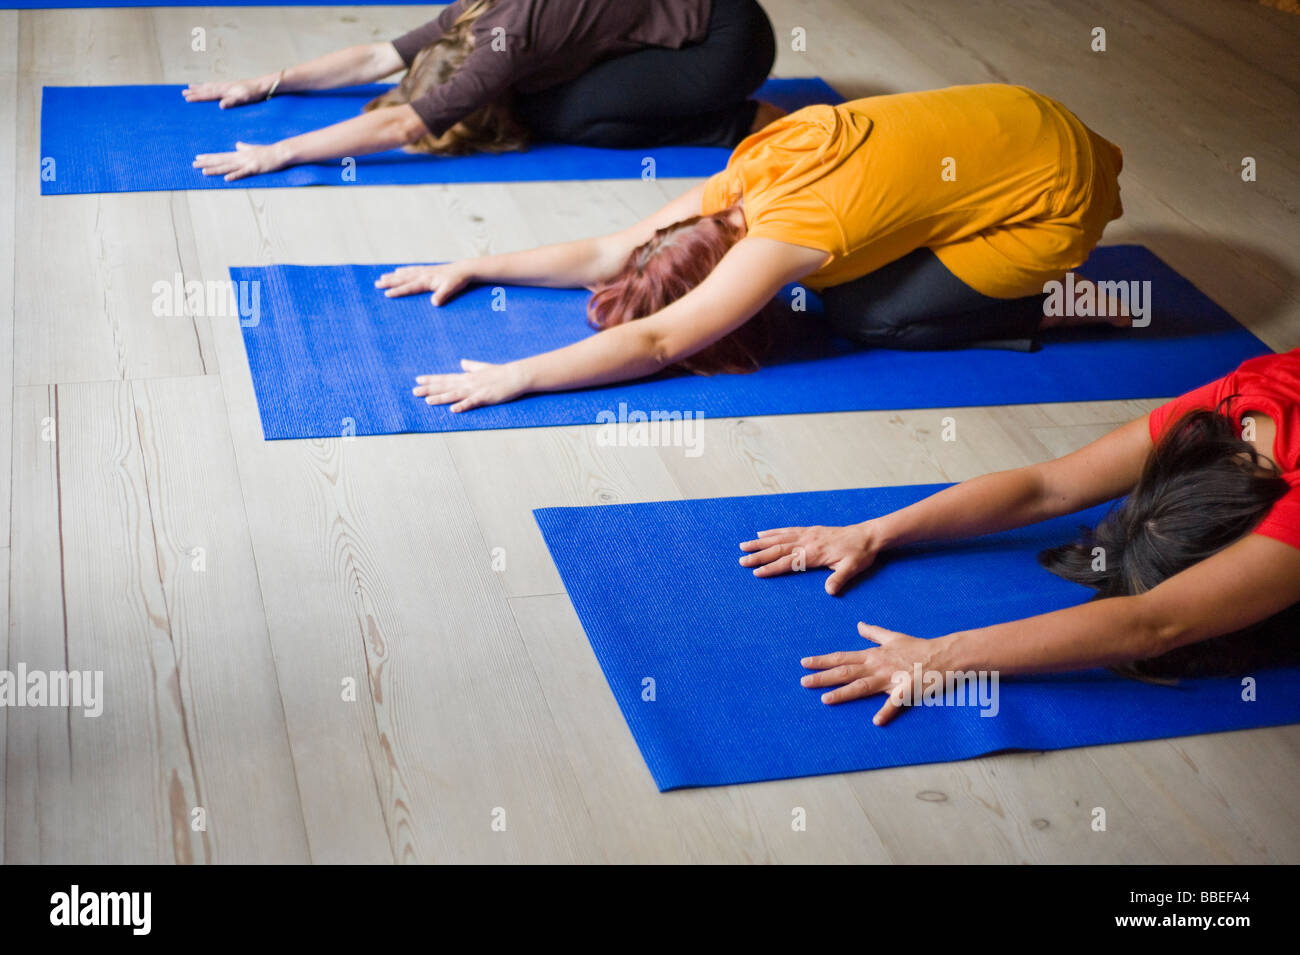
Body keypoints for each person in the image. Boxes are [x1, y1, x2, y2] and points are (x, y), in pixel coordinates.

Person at [374, 83, 1128, 413]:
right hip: (1016, 113)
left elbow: (663, 337)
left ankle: (1061, 304)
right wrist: (477, 262)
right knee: (853, 273)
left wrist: (521, 376)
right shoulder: (738, 183)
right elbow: (610, 252)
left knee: (871, 319)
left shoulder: (788, 238)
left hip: (1059, 192)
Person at [738, 349, 1300, 725]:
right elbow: (1047, 486)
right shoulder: (1242, 400)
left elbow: (1154, 623)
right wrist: (872, 533)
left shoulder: (1247, 422)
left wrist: (939, 656)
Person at [185, 0, 779, 180]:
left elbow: (404, 125)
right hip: (689, 24)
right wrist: (273, 80)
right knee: (551, 102)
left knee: (563, 118)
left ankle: (740, 121)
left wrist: (280, 152)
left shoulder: (507, 38)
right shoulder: (475, 13)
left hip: (726, 44)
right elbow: (379, 54)